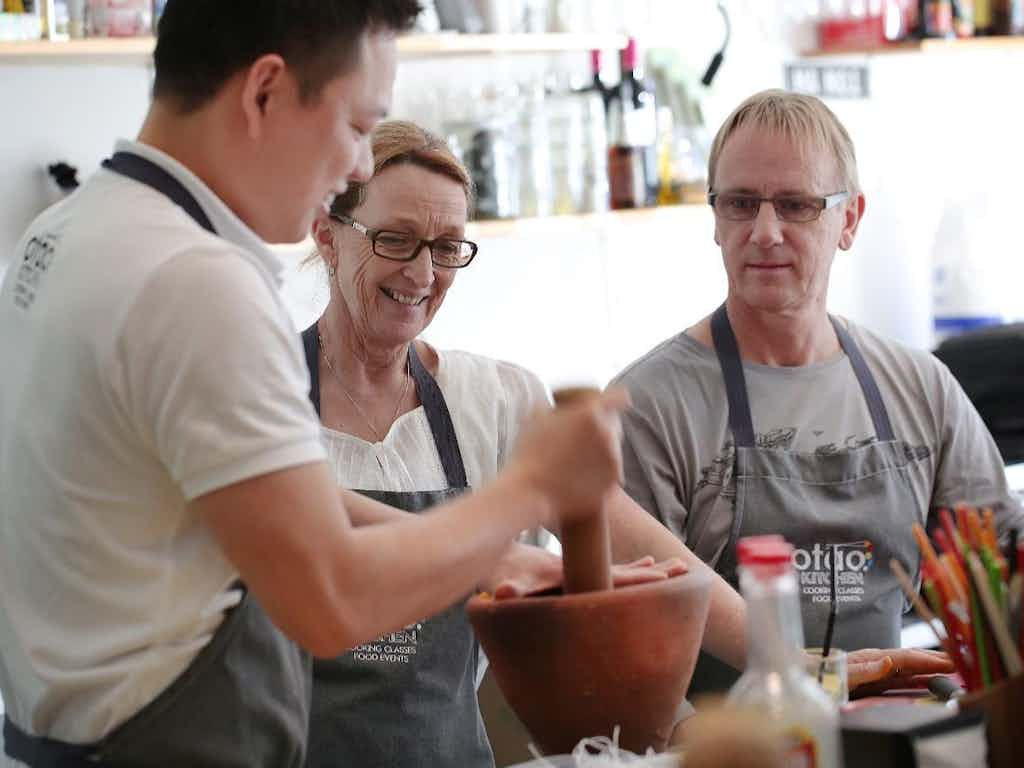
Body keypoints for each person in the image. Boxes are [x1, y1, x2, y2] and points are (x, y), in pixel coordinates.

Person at [0, 3, 635, 766]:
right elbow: (330, 602)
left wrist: (491, 557)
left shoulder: (70, 232)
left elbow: (246, 490)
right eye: (359, 126)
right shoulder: (200, 285)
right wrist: (529, 490)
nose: (360, 166)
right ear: (265, 91)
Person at [301, 119, 710, 767]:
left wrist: (777, 654)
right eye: (395, 240)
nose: (421, 272)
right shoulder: (259, 401)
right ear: (327, 234)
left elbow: (628, 548)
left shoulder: (492, 401)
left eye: (446, 247)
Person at [612, 89, 1024, 694]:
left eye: (797, 205)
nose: (765, 231)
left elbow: (998, 563)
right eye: (740, 203)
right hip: (732, 747)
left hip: (896, 729)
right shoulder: (645, 405)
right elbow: (633, 636)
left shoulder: (918, 386)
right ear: (716, 218)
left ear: (849, 219)